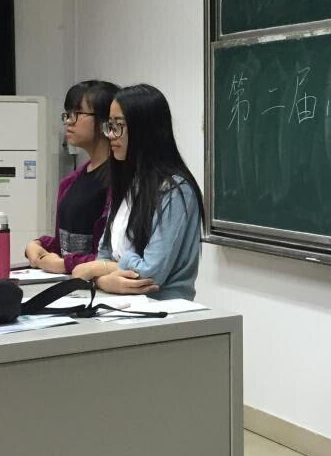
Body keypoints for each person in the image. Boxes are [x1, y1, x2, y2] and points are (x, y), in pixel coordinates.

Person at [72, 84, 203, 299]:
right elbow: (104, 252)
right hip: (119, 303)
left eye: (119, 126)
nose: (110, 135)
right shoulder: (129, 183)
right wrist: (103, 280)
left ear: (144, 130)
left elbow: (150, 274)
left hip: (164, 309)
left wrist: (104, 269)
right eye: (109, 125)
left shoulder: (177, 191)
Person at [24, 80, 118, 275]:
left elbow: (112, 257)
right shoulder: (71, 181)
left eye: (77, 113)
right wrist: (38, 245)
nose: (68, 121)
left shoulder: (120, 181)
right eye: (67, 114)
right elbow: (65, 247)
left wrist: (63, 264)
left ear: (105, 119)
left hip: (99, 284)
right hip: (68, 283)